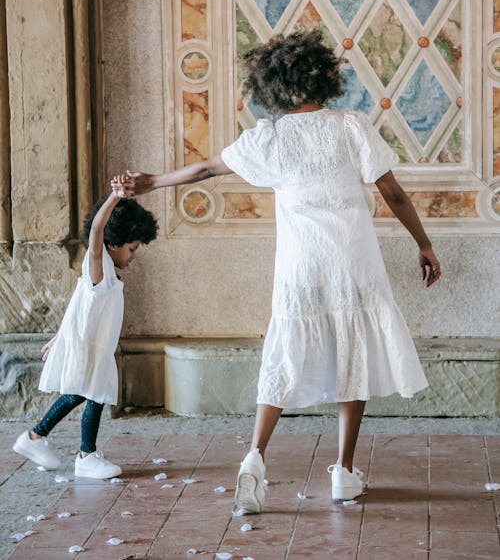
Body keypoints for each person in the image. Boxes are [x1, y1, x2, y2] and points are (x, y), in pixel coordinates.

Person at [118, 29, 441, 510]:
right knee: (353, 355)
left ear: (273, 87)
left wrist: (152, 181)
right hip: (354, 262)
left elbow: (207, 169)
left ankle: (254, 458)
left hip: (300, 265)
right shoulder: (352, 127)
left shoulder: (269, 137)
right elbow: (392, 193)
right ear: (323, 80)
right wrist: (424, 244)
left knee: (284, 351)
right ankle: (344, 473)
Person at [13, 188, 158, 479]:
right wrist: (115, 196)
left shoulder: (103, 275)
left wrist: (59, 336)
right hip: (89, 347)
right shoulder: (99, 265)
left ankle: (39, 438)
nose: (132, 257)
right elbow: (96, 231)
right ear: (113, 243)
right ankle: (81, 454)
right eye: (132, 248)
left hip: (93, 346)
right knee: (91, 394)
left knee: (85, 395)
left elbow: (77, 306)